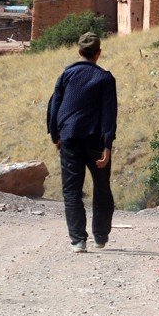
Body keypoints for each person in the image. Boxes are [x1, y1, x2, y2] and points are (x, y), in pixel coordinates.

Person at [46, 32, 118, 254]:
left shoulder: (66, 75)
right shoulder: (105, 78)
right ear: (98, 53)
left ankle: (78, 241)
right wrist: (107, 146)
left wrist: (55, 135)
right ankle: (101, 236)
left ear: (79, 52)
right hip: (96, 141)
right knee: (102, 188)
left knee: (71, 191)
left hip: (70, 139)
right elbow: (109, 114)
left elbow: (54, 105)